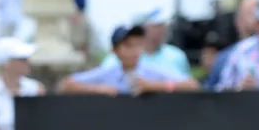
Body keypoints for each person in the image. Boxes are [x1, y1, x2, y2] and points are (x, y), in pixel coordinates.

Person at [60, 24, 199, 95]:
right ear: (115, 51)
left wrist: (153, 86)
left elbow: (192, 85)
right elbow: (66, 84)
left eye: (138, 45)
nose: (134, 51)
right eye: (128, 46)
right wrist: (97, 89)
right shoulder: (108, 72)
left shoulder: (152, 72)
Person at [101, 8, 191, 79]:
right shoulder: (113, 60)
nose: (162, 29)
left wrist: (153, 86)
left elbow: (190, 85)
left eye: (163, 25)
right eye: (156, 26)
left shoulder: (177, 54)